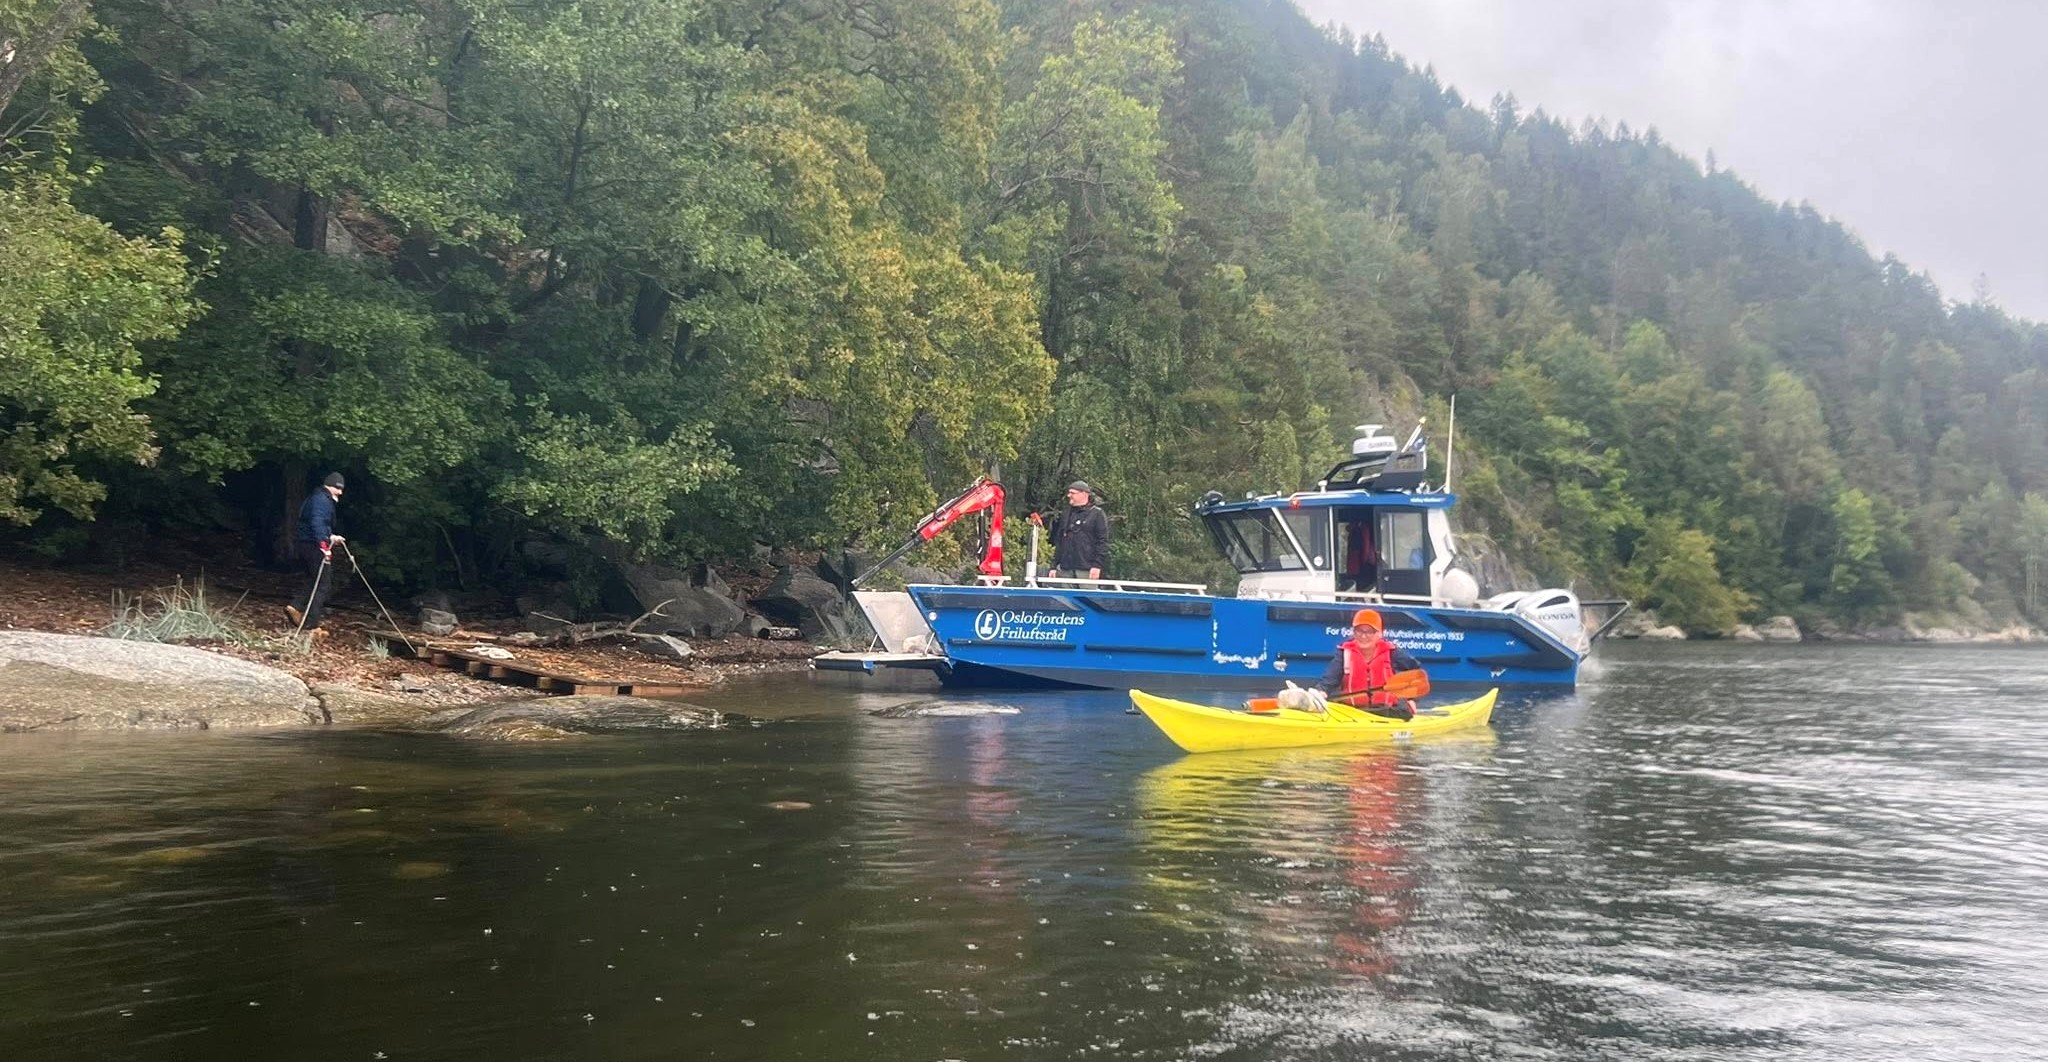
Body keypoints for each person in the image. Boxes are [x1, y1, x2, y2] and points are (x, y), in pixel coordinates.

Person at [1314, 608, 1423, 719]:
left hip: (1387, 711)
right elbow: (1328, 681)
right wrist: (1320, 692)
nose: (1363, 636)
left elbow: (1416, 674)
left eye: (1370, 631)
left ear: (1379, 634)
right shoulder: (1344, 654)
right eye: (1359, 630)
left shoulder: (1393, 653)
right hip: (1352, 712)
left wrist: (1412, 699)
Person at [285, 472, 347, 636]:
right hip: (313, 546)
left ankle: (296, 606)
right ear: (329, 486)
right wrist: (324, 546)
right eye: (337, 488)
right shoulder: (322, 500)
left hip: (305, 544)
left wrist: (331, 536)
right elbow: (317, 522)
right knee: (324, 584)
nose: (340, 492)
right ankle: (311, 625)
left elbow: (318, 524)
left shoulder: (317, 497)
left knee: (313, 579)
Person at [1029, 480, 1109, 580]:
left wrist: (1097, 565)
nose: (1068, 495)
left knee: (1086, 596)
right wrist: (1054, 566)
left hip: (1086, 569)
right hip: (1065, 569)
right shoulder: (1066, 514)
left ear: (1084, 494)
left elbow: (1102, 542)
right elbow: (1059, 541)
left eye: (1072, 493)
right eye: (1069, 492)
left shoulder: (1097, 514)